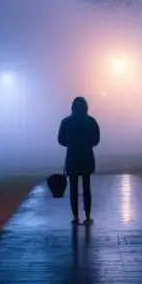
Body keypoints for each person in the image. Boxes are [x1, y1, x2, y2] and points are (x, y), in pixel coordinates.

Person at [58, 96, 100, 225]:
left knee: (73, 189)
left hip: (72, 156)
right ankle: (87, 215)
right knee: (86, 187)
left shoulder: (66, 121)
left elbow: (60, 140)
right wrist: (87, 144)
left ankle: (75, 216)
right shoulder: (91, 121)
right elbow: (96, 139)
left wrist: (71, 144)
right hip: (87, 156)